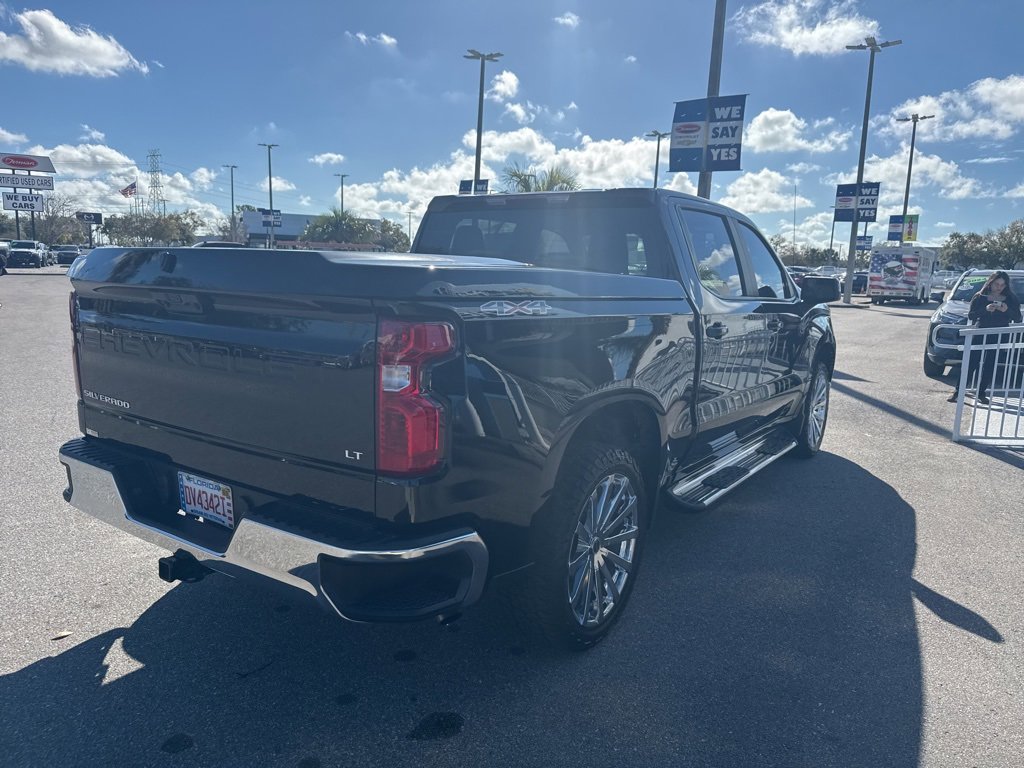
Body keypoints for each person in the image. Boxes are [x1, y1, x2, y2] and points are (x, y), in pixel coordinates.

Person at [947, 271, 1022, 403]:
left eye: (1002, 285)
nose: (999, 287)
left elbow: (1018, 318)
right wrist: (985, 309)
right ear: (990, 283)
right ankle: (958, 391)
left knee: (990, 365)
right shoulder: (979, 296)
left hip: (1000, 335)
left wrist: (1006, 310)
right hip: (980, 332)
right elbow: (971, 315)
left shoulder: (1011, 298)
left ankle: (981, 392)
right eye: (997, 284)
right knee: (971, 363)